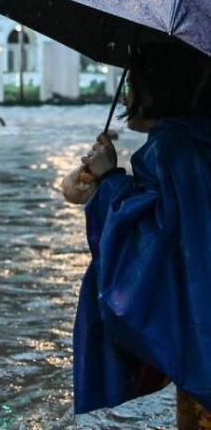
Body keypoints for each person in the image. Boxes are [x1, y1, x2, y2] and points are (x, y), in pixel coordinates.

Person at [61, 44, 211, 429]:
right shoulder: (197, 139)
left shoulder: (173, 148)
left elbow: (154, 240)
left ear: (157, 86)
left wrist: (110, 179)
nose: (125, 94)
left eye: (131, 82)